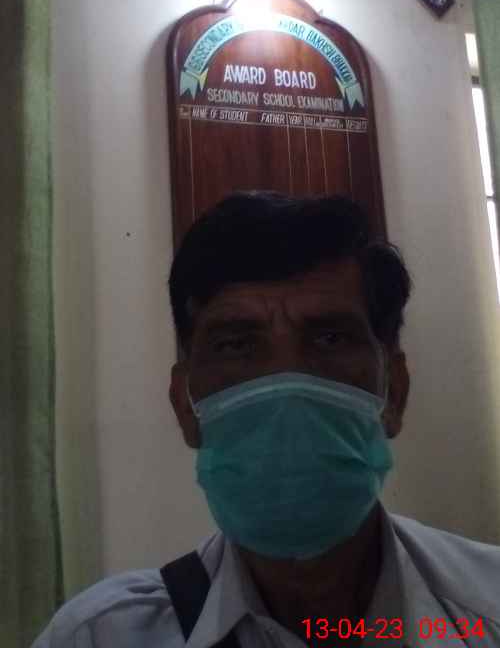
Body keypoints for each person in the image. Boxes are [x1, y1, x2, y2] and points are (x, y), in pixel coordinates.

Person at [32, 191, 500, 648]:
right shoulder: (98, 636)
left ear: (394, 391)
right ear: (185, 406)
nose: (285, 385)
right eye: (236, 345)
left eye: (330, 339)